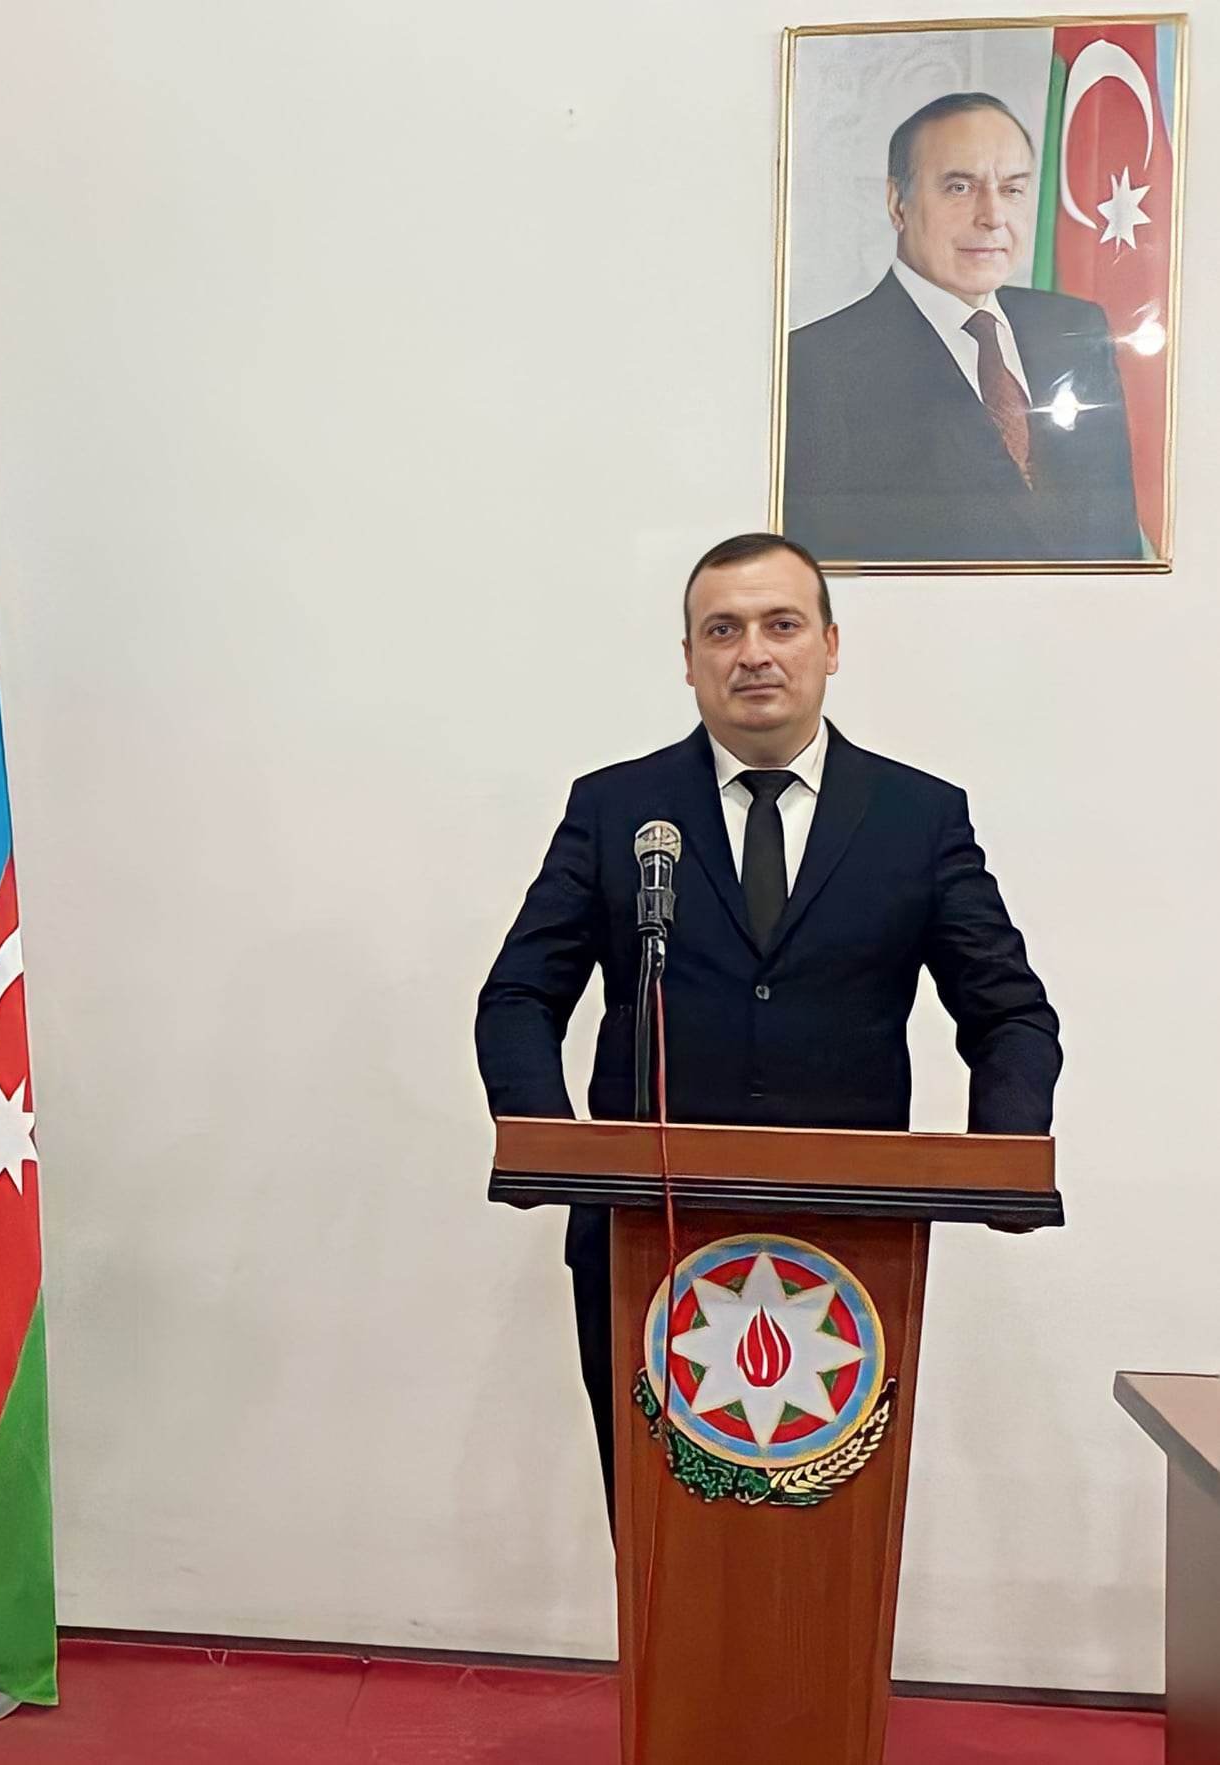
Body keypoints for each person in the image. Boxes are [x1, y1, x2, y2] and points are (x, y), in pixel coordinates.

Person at [474, 532, 1061, 1519]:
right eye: (722, 630)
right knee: (661, 1529)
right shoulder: (617, 809)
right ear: (688, 659)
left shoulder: (916, 817)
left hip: (846, 1246)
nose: (752, 652)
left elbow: (1008, 1011)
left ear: (829, 644)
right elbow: (518, 996)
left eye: (780, 624)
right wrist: (549, 1145)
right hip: (643, 1237)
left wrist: (1003, 1152)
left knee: (824, 1539)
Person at [783, 91, 1139, 563]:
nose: (992, 217)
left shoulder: (1076, 329)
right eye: (959, 187)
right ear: (898, 203)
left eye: (1012, 189)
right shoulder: (816, 366)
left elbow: (1117, 541)